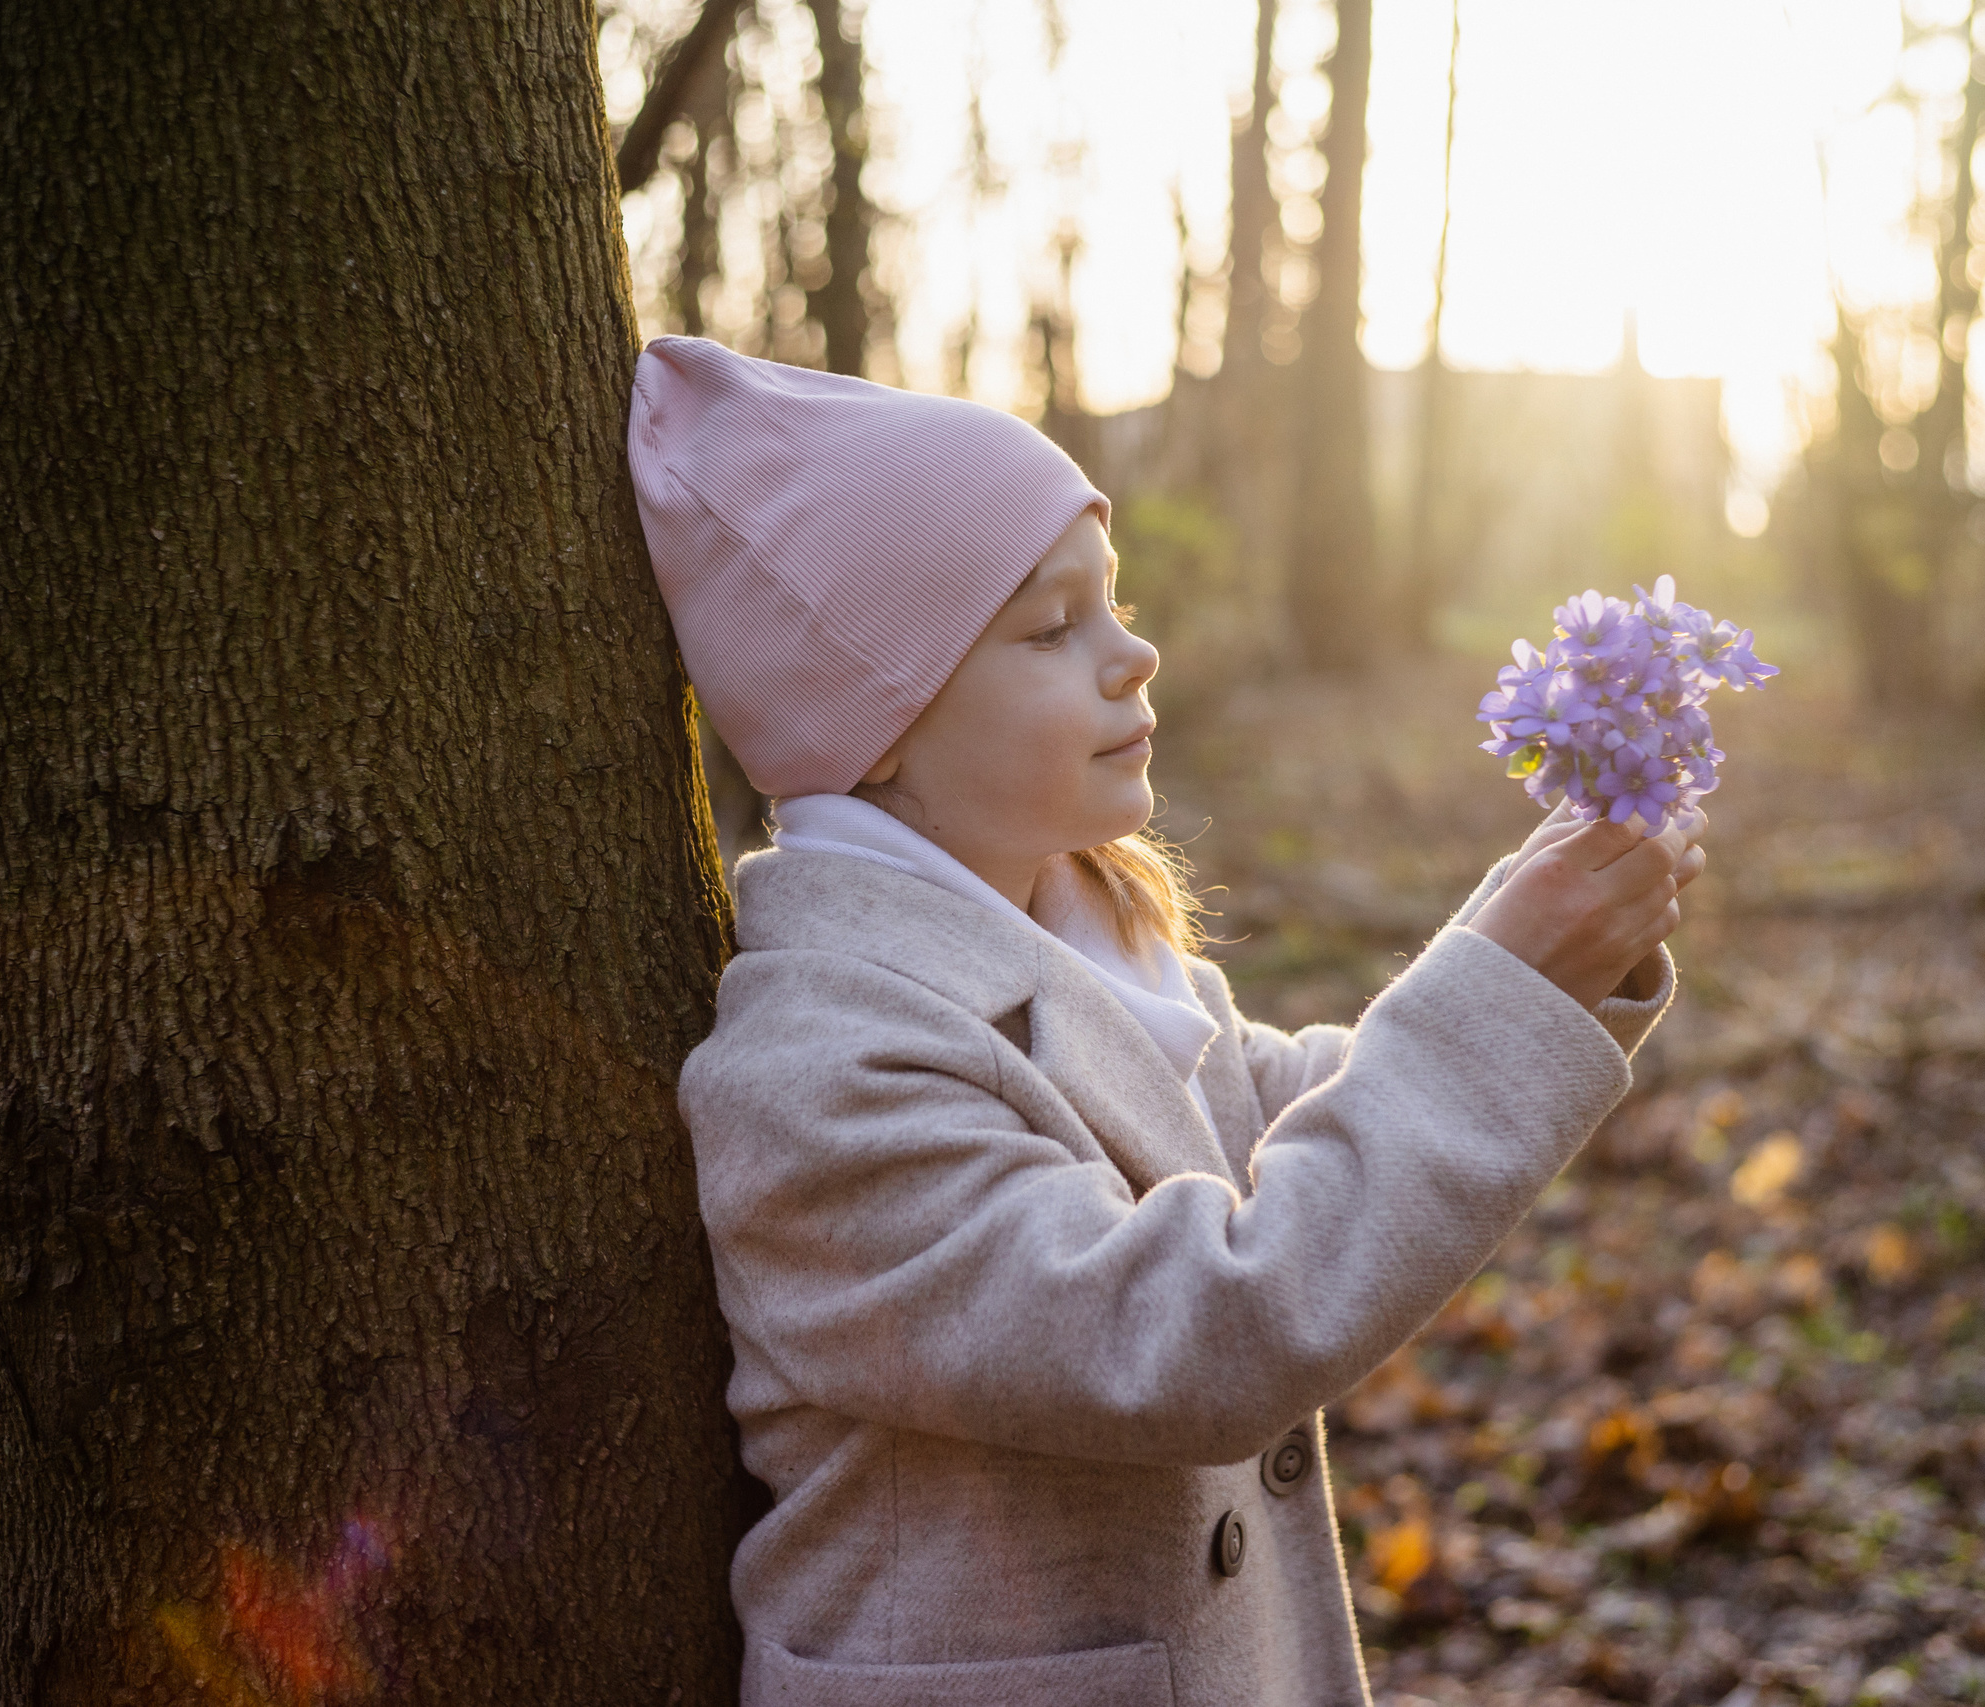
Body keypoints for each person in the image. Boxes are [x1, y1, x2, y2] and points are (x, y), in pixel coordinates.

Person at [629, 334, 1703, 1707]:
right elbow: (1193, 1332)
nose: (1134, 655)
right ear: (877, 722)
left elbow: (1295, 1124)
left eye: (1114, 604)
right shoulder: (820, 1075)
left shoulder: (1095, 948)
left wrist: (1541, 956)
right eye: (1050, 626)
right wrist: (1504, 987)